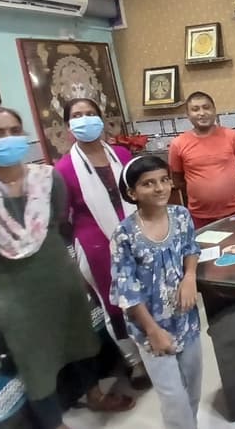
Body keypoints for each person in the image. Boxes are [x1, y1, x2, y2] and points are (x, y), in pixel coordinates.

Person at [0, 107, 132, 429]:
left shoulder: (47, 178)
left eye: (15, 130)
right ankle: (54, 424)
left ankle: (94, 395)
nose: (8, 138)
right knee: (34, 359)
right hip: (10, 289)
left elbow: (59, 222)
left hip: (59, 277)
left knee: (79, 340)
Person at [54, 97, 148, 387]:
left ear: (101, 119)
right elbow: (62, 218)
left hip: (137, 234)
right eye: (77, 115)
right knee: (115, 305)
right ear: (68, 125)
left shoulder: (121, 154)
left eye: (90, 113)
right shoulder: (63, 169)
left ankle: (154, 347)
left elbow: (139, 192)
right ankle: (135, 362)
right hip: (97, 247)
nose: (85, 119)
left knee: (148, 292)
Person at [110, 156, 202, 429]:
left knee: (193, 387)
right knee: (173, 397)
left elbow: (191, 248)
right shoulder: (124, 234)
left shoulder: (181, 215)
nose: (160, 188)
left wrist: (190, 276)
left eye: (164, 180)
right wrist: (152, 331)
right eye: (148, 183)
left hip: (186, 319)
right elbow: (126, 290)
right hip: (151, 328)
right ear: (132, 193)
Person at [169, 91, 235, 229]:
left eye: (206, 107)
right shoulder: (178, 143)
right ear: (188, 114)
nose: (202, 113)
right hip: (199, 216)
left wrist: (227, 188)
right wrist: (199, 192)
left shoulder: (232, 136)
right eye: (195, 109)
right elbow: (177, 180)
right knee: (204, 244)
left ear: (214, 110)